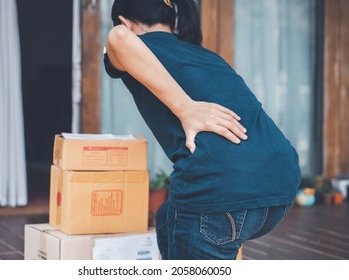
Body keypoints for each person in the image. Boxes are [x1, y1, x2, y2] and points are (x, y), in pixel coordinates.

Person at [103, 0, 301, 260]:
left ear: (125, 21)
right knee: (167, 215)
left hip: (223, 191)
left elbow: (117, 38)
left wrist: (186, 108)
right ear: (173, 20)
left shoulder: (127, 40)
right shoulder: (206, 55)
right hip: (280, 185)